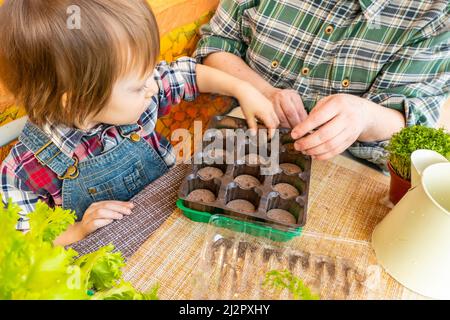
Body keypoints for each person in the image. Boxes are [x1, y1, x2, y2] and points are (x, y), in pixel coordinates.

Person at [0, 0, 278, 245]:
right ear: (79, 101)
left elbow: (189, 74)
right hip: (119, 258)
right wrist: (78, 230)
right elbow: (23, 240)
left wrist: (244, 89)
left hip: (175, 218)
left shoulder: (137, 94)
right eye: (137, 84)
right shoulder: (25, 169)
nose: (152, 86)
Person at [194, 0, 449, 166]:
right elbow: (216, 43)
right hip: (240, 127)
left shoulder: (436, 13)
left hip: (347, 161)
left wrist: (364, 116)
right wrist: (264, 92)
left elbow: (416, 127)